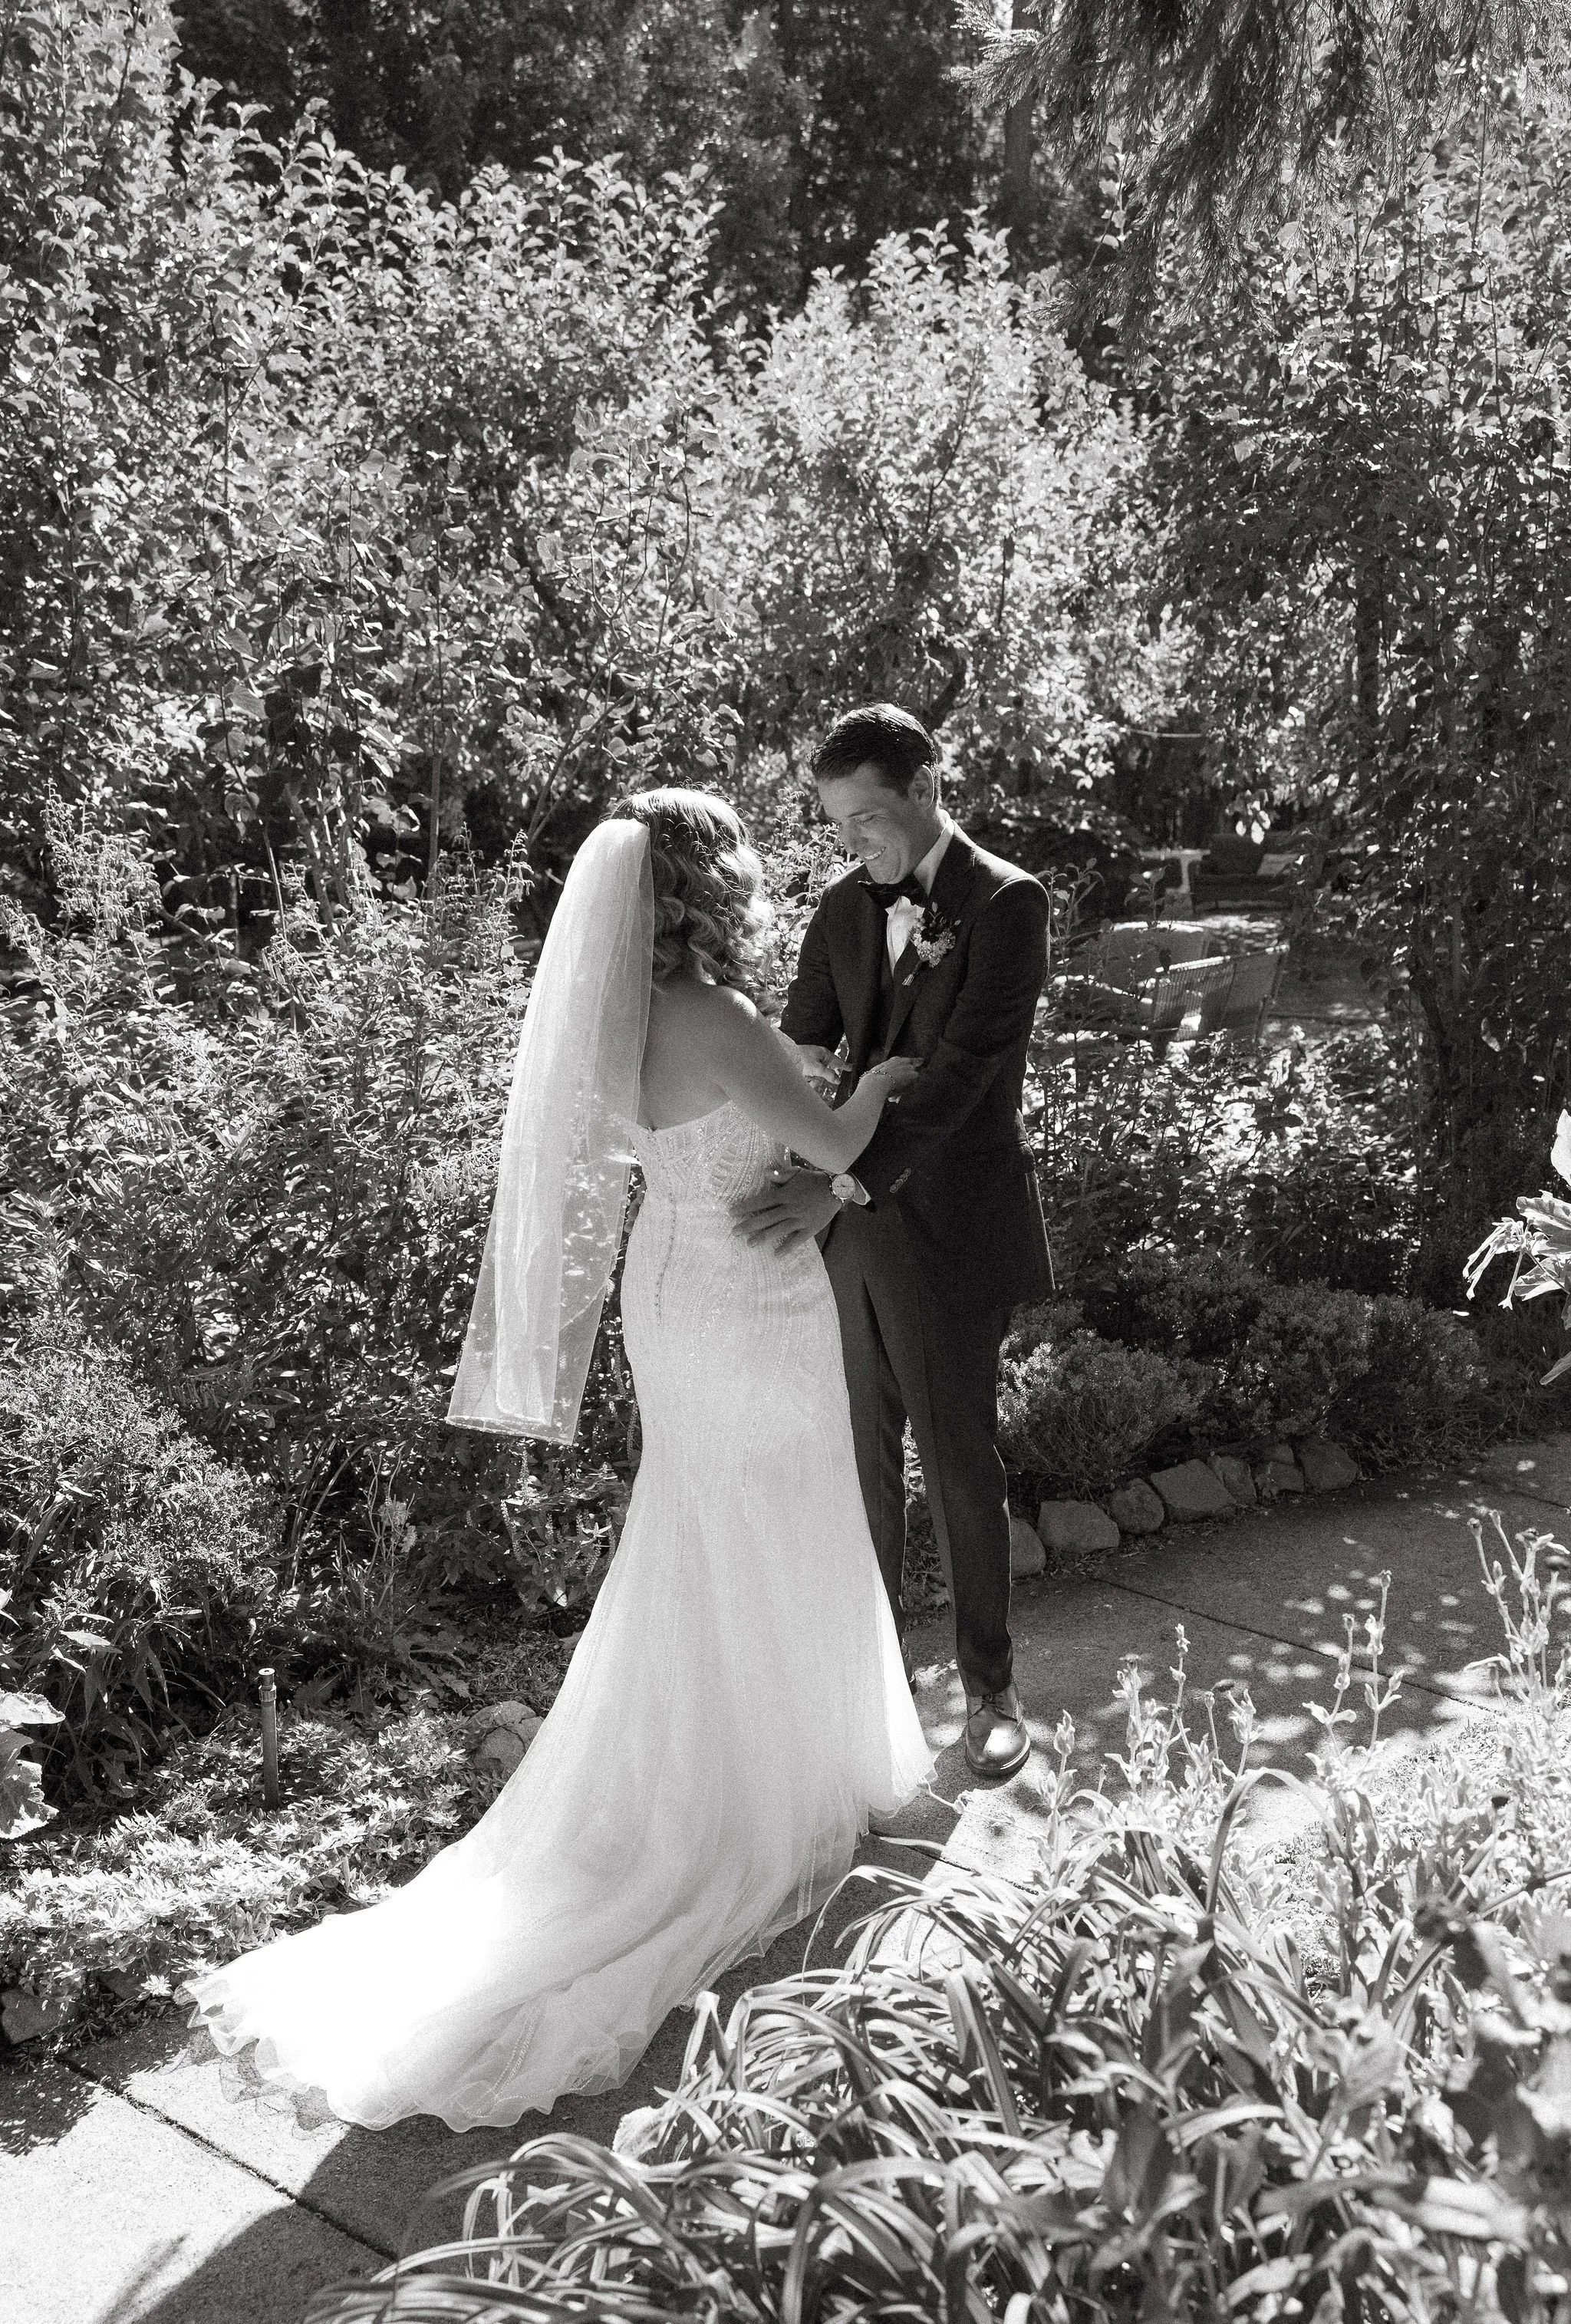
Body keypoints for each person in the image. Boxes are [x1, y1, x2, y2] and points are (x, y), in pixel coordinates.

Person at [184, 790, 932, 2133]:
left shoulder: (615, 1022)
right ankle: (777, 1792)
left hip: (674, 1289)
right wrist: (873, 1087)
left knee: (705, 1532)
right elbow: (829, 1149)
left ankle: (739, 1768)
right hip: (754, 1300)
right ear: (712, 890)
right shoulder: (724, 1019)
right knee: (780, 1520)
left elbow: (657, 1151)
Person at [736, 705, 1052, 1781]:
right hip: (848, 1234)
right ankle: (866, 1697)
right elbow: (800, 1048)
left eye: (868, 817)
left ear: (925, 789)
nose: (854, 841)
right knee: (857, 1466)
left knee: (960, 1462)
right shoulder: (838, 907)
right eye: (838, 824)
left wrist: (844, 1182)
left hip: (951, 1225)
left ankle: (992, 1690)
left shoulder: (1007, 904)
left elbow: (964, 1081)